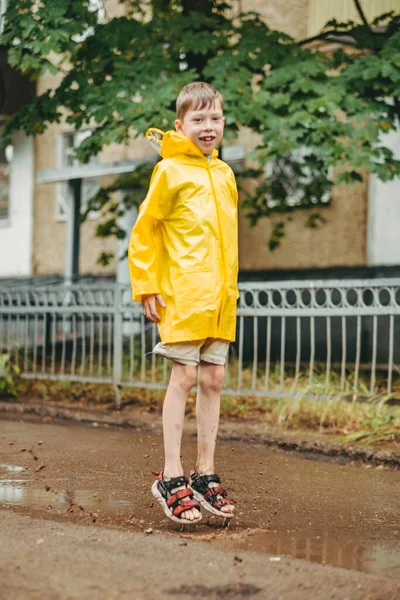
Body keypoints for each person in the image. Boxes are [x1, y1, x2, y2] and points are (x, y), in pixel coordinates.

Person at [128, 82, 238, 524]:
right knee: (186, 375)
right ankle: (171, 475)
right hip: (182, 294)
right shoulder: (170, 171)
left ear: (223, 122)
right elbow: (146, 230)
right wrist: (147, 285)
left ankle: (204, 472)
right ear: (181, 125)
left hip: (220, 298)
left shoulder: (225, 174)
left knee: (213, 378)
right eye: (198, 119)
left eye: (214, 118)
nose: (207, 127)